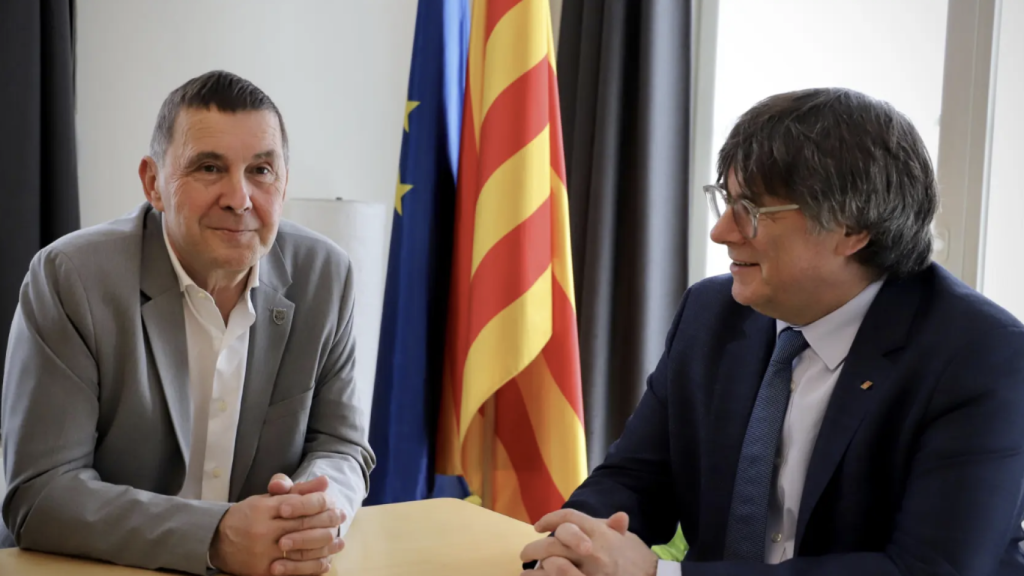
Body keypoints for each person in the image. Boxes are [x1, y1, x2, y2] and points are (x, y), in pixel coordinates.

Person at [520, 87, 1024, 576]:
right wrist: (576, 545)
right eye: (726, 199)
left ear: (852, 230)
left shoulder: (984, 357)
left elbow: (928, 569)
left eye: (753, 211)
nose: (722, 232)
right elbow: (637, 476)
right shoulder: (712, 312)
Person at [1, 70, 375, 576]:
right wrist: (215, 537)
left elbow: (342, 446)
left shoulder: (327, 277)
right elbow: (40, 493)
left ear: (284, 182)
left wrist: (315, 513)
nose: (239, 198)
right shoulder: (71, 279)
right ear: (153, 183)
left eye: (261, 170)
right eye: (209, 167)